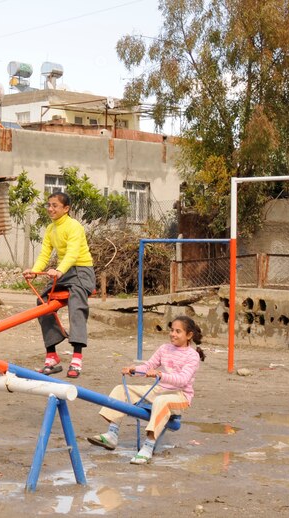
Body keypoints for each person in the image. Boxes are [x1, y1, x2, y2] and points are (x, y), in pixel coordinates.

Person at [87, 316, 206, 465]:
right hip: (160, 389)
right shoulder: (164, 348)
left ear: (189, 335)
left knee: (161, 401)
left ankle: (148, 446)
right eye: (171, 330)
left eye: (178, 331)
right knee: (121, 390)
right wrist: (133, 370)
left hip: (179, 396)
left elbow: (183, 379)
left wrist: (160, 375)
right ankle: (112, 433)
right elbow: (149, 366)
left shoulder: (192, 356)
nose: (173, 334)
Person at [23, 192, 96, 379]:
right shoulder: (50, 229)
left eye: (55, 205)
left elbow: (72, 254)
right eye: (49, 205)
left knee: (76, 304)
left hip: (81, 271)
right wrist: (34, 270)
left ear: (66, 209)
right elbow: (44, 254)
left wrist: (59, 271)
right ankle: (52, 356)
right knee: (42, 304)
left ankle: (77, 358)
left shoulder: (74, 227)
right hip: (65, 272)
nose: (50, 208)